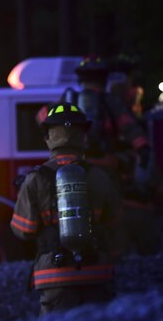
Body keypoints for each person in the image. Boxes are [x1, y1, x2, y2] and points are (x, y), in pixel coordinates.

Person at [12, 102, 118, 315]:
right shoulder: (101, 177)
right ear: (84, 138)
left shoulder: (35, 180)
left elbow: (24, 229)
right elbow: (115, 223)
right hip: (97, 273)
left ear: (48, 138)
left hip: (55, 277)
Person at [65, 54, 159, 255]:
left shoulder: (69, 99)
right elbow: (130, 128)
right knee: (111, 214)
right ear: (104, 79)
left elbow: (44, 120)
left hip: (75, 167)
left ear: (81, 79)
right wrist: (143, 150)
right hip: (106, 168)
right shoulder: (110, 103)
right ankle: (113, 254)